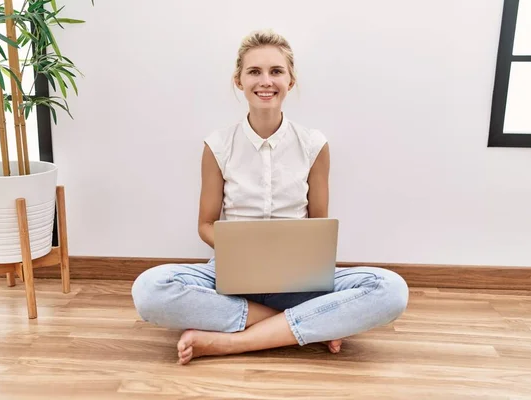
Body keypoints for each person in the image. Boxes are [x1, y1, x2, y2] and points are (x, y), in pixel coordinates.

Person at [131, 29, 409, 365]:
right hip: (231, 273)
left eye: (276, 71)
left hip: (298, 277)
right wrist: (241, 248)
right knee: (149, 290)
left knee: (391, 289)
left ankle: (233, 342)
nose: (266, 81)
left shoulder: (314, 145)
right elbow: (205, 224)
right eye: (255, 72)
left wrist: (294, 260)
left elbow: (317, 226)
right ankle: (312, 322)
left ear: (290, 81)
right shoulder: (218, 145)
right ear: (239, 80)